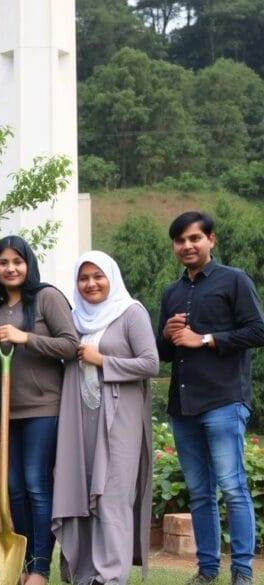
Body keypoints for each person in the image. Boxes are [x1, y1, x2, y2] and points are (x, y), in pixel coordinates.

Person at [156, 212, 264, 585]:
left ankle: (243, 572)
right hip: (183, 407)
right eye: (180, 240)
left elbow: (257, 330)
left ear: (210, 241)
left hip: (223, 400)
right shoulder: (171, 293)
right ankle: (206, 571)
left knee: (233, 488)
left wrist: (205, 338)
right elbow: (164, 355)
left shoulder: (233, 280)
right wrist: (169, 335)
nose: (187, 245)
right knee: (200, 492)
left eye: (194, 238)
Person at [52, 251, 159, 585]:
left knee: (111, 496)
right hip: (81, 418)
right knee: (81, 494)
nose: (90, 284)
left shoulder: (130, 313)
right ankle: (85, 573)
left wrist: (102, 360)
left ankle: (110, 576)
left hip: (119, 421)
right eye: (83, 278)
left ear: (111, 277)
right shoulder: (75, 318)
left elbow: (150, 363)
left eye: (98, 276)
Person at [0, 235, 79, 585]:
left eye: (17, 261)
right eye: (3, 262)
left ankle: (40, 567)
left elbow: (71, 345)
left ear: (28, 264)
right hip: (6, 412)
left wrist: (26, 338)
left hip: (44, 407)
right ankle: (24, 563)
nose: (10, 268)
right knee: (12, 488)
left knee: (35, 484)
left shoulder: (47, 298)